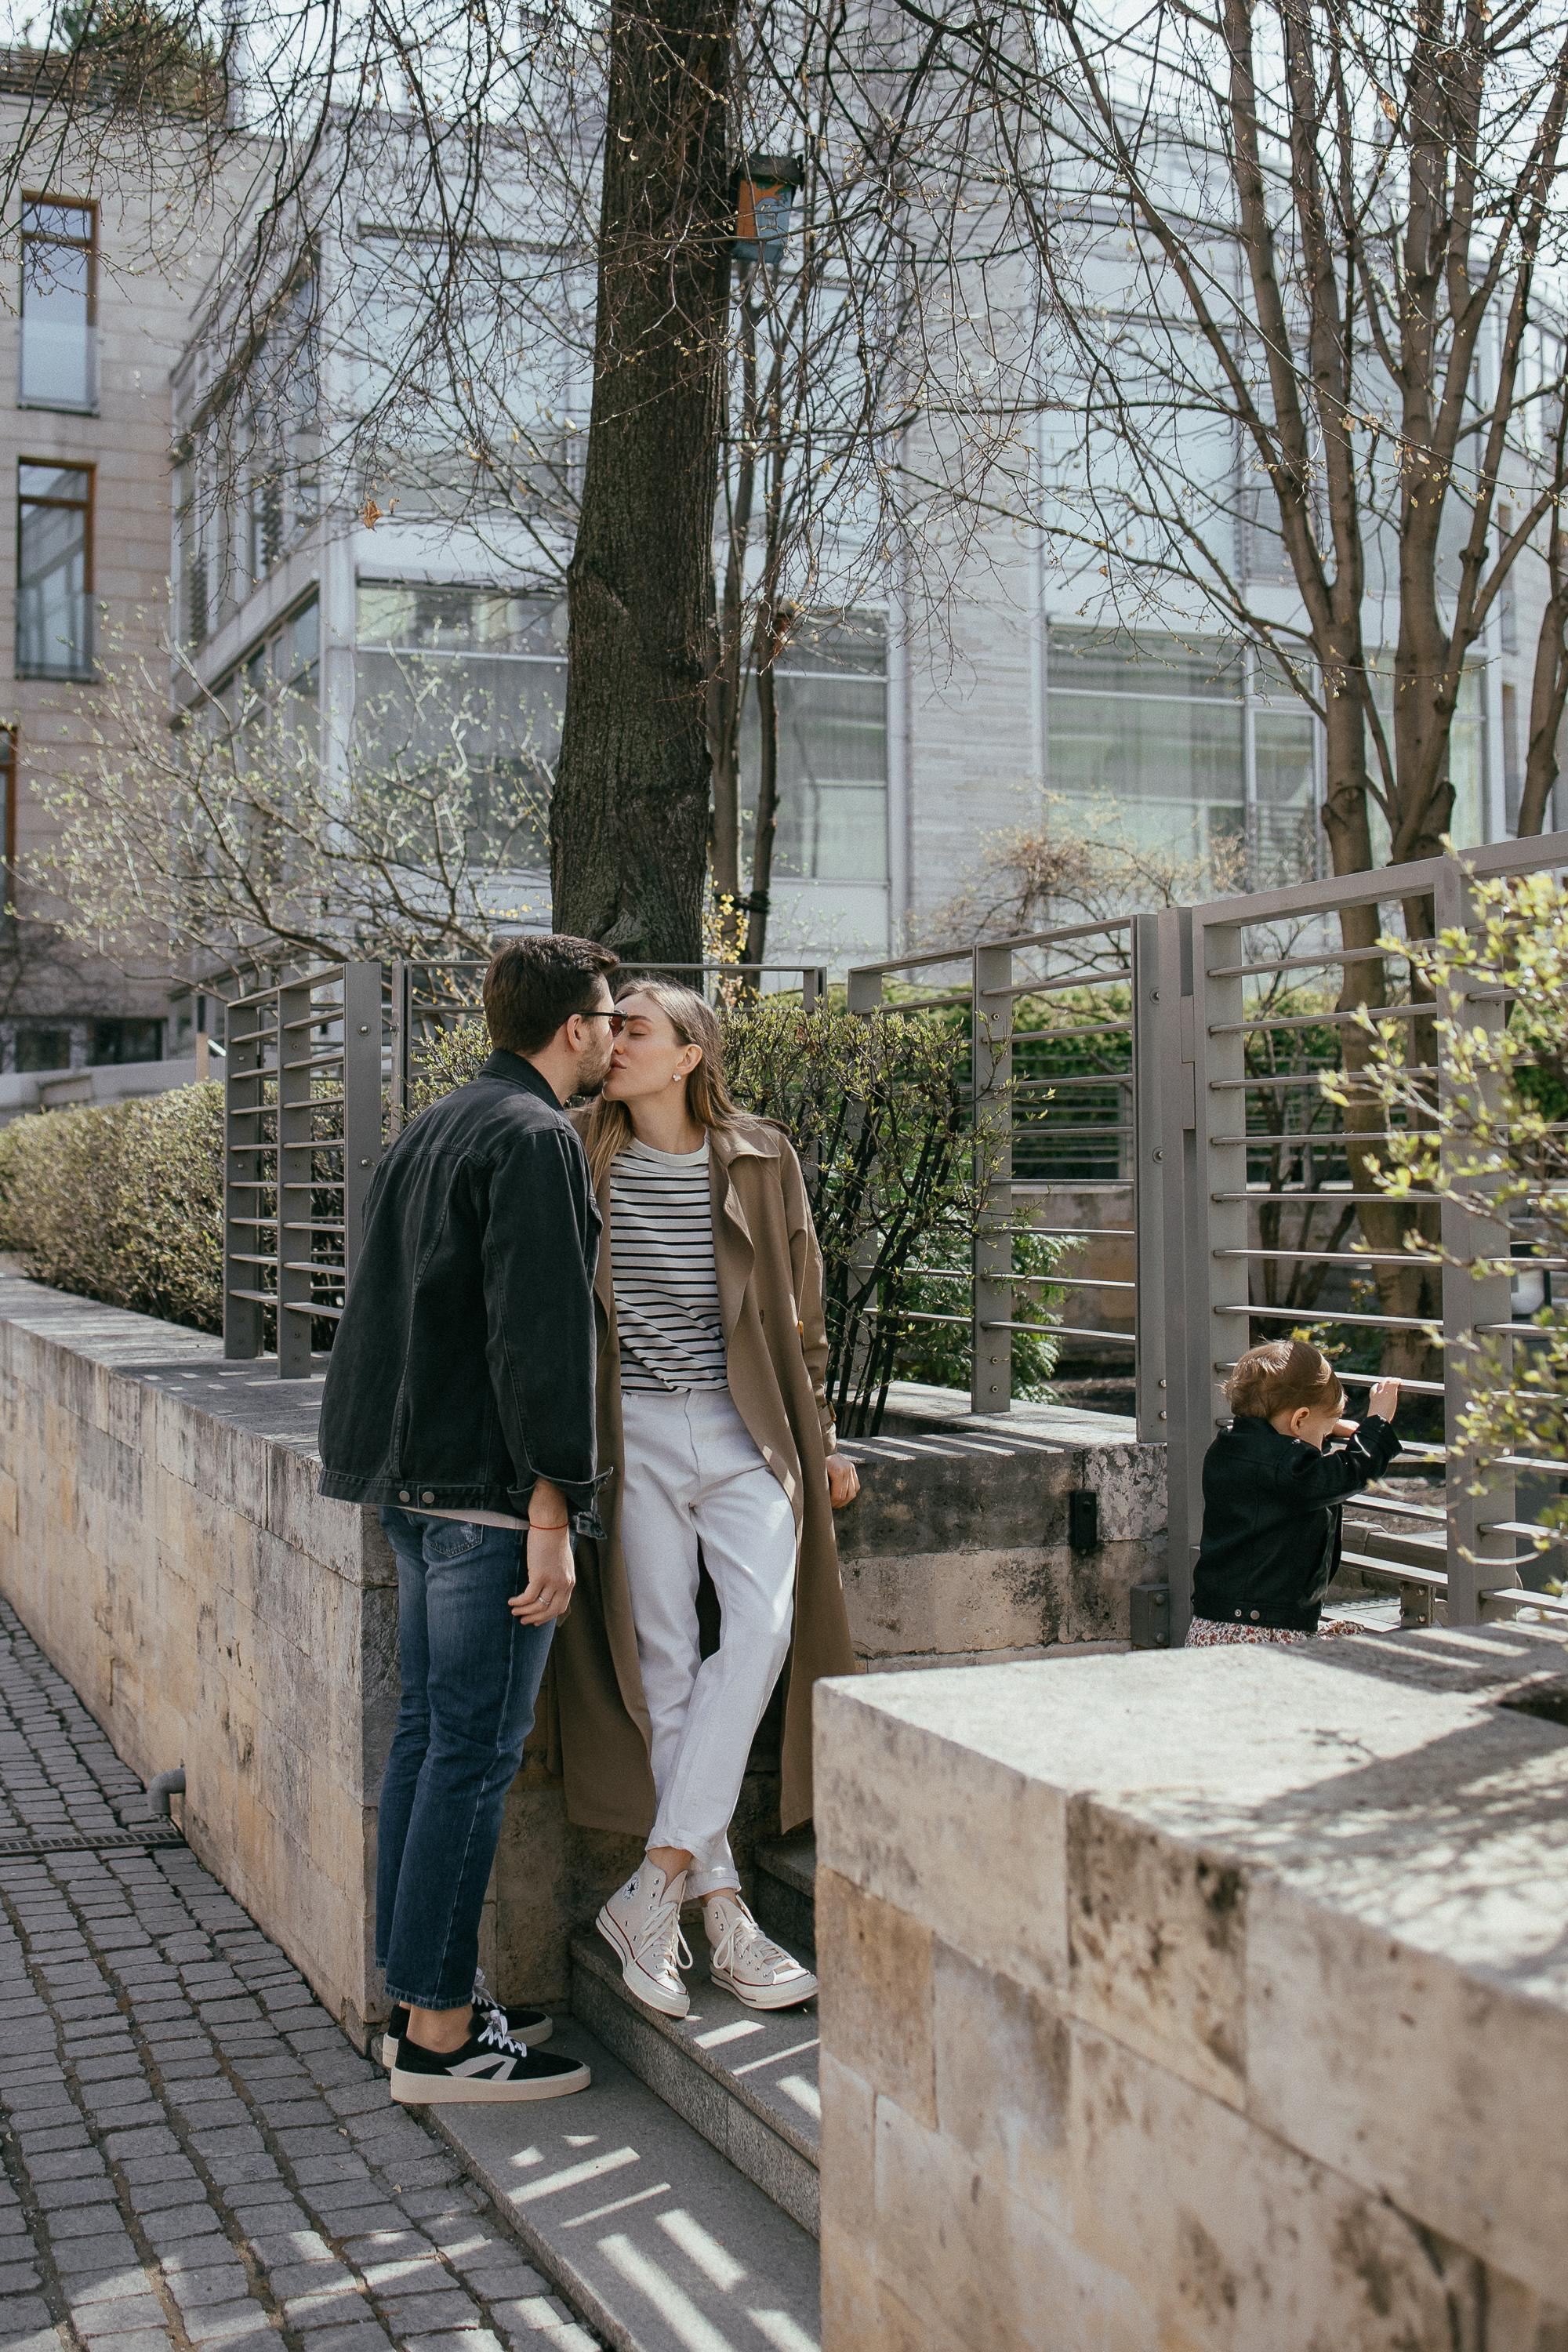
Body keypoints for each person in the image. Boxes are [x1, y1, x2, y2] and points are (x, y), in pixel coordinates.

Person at [318, 933, 620, 2103]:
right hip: (488, 1499)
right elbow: (537, 1336)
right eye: (603, 1015)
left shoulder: (440, 1122)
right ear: (572, 1028)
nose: (609, 1033)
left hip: (410, 1482)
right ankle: (443, 2036)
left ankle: (417, 2003)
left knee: (427, 1748)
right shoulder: (539, 1137)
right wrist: (555, 1502)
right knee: (471, 1758)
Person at [535, 978, 859, 2021]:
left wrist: (828, 1438)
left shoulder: (760, 1157)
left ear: (689, 1057)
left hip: (741, 1428)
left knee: (760, 1629)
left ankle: (657, 1881)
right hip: (628, 1435)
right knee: (664, 1663)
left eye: (636, 1029)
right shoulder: (575, 1147)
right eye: (611, 1025)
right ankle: (723, 1917)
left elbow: (802, 1317)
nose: (613, 1041)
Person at [1186, 1338, 1401, 1646]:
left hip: (1212, 1623)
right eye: (1324, 1432)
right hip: (1261, 1631)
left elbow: (1289, 1454)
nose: (1325, 1440)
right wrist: (1376, 1424)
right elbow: (1347, 1472)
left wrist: (1328, 1426)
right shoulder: (1290, 1472)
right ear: (1299, 1420)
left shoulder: (1226, 1449)